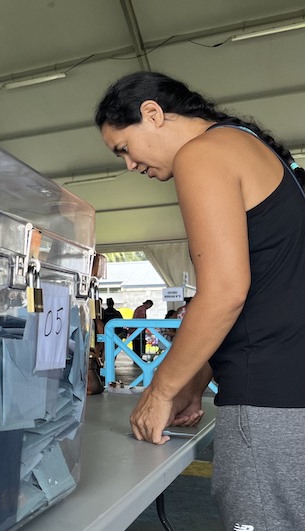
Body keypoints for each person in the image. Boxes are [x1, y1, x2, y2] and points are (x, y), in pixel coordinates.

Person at [95, 71, 305, 530]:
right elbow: (261, 296)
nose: (128, 166)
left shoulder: (202, 155)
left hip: (270, 404)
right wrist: (192, 383)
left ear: (152, 114)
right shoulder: (251, 148)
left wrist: (162, 390)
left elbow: (226, 293)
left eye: (124, 148)